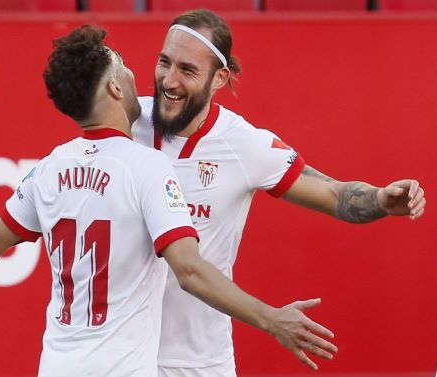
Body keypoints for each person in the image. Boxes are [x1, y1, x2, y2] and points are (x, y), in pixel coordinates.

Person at [0, 26, 338, 377]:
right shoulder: (148, 167)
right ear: (115, 88)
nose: (140, 76)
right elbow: (190, 271)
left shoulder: (51, 167)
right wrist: (271, 319)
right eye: (124, 67)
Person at [130, 9, 427, 377]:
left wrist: (381, 200)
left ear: (220, 78)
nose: (169, 80)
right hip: (121, 354)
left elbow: (334, 194)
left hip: (199, 363)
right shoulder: (126, 122)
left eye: (187, 70)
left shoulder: (245, 144)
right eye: (164, 62)